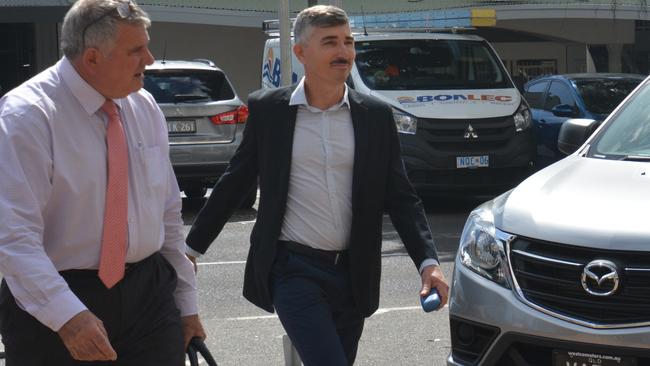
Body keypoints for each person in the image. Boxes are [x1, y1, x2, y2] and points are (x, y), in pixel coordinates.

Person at [185, 5, 448, 366]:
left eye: (348, 42)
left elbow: (401, 197)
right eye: (330, 42)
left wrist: (428, 263)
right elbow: (235, 182)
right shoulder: (270, 111)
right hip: (293, 269)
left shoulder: (375, 115)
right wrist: (191, 249)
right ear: (300, 53)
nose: (343, 52)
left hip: (355, 273)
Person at [0, 0, 205, 365]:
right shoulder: (28, 115)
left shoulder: (144, 106)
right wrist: (67, 317)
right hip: (57, 300)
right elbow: (13, 235)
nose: (150, 60)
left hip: (149, 297)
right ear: (92, 59)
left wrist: (186, 305)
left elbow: (168, 214)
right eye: (136, 50)